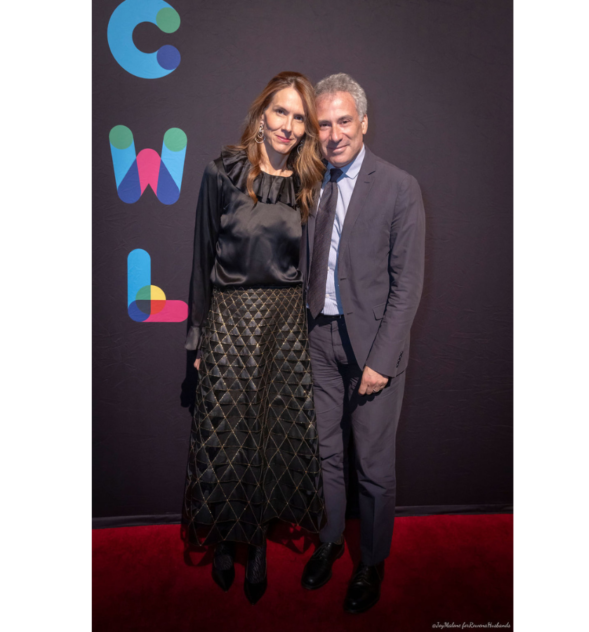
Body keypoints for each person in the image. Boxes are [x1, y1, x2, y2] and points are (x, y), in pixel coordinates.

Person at [181, 72, 327, 605]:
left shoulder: (308, 183)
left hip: (283, 325)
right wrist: (198, 336)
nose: (287, 126)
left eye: (297, 118)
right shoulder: (222, 171)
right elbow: (200, 257)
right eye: (280, 112)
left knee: (270, 437)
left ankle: (258, 548)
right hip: (230, 318)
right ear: (261, 113)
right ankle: (224, 538)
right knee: (227, 435)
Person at [299, 73, 426, 614]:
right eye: (324, 123)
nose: (333, 134)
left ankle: (371, 562)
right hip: (318, 341)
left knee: (372, 465)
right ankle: (330, 540)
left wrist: (381, 360)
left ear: (364, 123)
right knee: (327, 453)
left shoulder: (399, 186)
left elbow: (408, 285)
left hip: (371, 351)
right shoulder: (311, 184)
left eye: (343, 121)